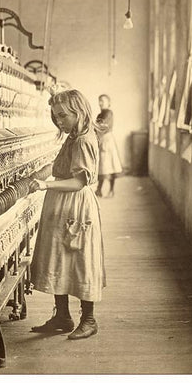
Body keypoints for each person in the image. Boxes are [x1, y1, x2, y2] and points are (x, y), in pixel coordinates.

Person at [28, 88, 106, 340]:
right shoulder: (74, 137)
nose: (59, 121)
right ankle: (62, 316)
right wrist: (41, 173)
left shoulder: (83, 140)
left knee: (81, 260)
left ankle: (89, 319)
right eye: (55, 117)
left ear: (79, 111)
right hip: (61, 204)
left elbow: (78, 182)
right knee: (58, 258)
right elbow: (63, 169)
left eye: (63, 116)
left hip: (74, 205)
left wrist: (45, 184)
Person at [95, 94, 123, 197]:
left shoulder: (108, 113)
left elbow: (103, 126)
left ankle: (111, 190)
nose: (100, 103)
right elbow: (97, 127)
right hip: (102, 140)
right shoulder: (99, 115)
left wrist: (94, 127)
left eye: (103, 101)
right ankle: (99, 190)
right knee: (102, 166)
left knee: (111, 166)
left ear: (108, 103)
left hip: (107, 140)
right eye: (99, 101)